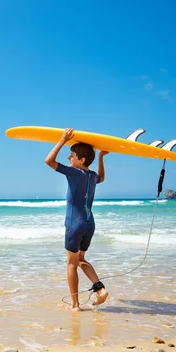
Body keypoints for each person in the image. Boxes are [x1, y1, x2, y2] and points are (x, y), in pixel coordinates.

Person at [44, 128, 109, 311]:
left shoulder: (75, 173)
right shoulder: (91, 176)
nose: (68, 159)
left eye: (71, 156)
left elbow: (49, 161)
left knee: (71, 263)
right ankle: (100, 290)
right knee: (80, 259)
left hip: (75, 224)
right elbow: (102, 178)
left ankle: (75, 305)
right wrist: (102, 157)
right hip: (89, 223)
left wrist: (63, 140)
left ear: (81, 160)